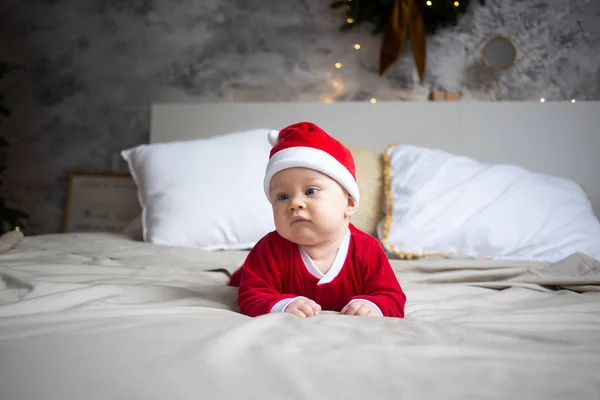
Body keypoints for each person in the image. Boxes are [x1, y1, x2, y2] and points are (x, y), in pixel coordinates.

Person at [229, 122, 406, 318]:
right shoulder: (269, 250)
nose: (295, 203)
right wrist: (283, 304)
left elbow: (392, 297)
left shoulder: (368, 250)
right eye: (283, 196)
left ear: (348, 203)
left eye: (310, 191)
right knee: (243, 277)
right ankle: (239, 274)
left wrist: (372, 305)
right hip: (256, 270)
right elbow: (251, 295)